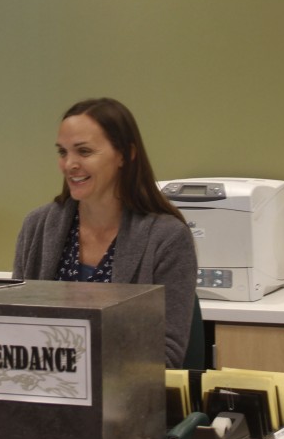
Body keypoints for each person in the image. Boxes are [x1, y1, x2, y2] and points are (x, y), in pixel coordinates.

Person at [12, 97, 197, 368]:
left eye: (84, 152)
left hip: (126, 400)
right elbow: (14, 327)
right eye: (63, 152)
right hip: (42, 392)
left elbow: (165, 356)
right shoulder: (37, 227)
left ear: (125, 154)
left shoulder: (167, 239)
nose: (69, 164)